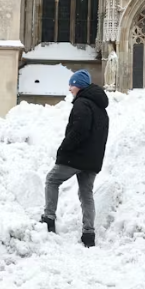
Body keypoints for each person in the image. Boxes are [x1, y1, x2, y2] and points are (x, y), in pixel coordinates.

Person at [40, 69, 109, 247]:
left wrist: (64, 148)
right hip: (92, 160)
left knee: (52, 180)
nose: (69, 88)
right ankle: (89, 233)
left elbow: (79, 131)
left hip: (76, 157)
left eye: (71, 85)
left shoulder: (82, 103)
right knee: (86, 194)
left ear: (79, 86)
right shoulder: (101, 108)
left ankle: (48, 218)